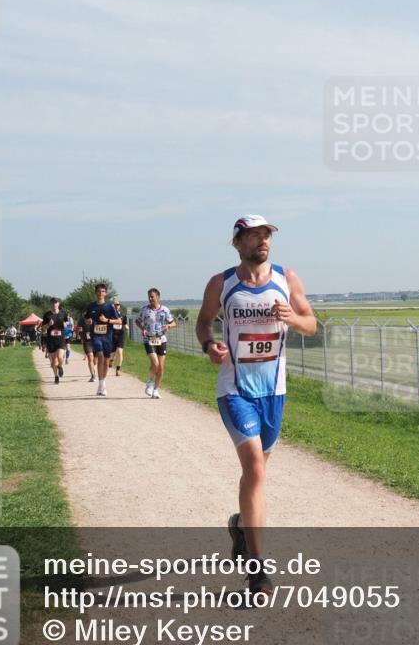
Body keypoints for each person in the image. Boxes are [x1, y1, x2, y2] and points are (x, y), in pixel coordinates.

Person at [196, 215, 316, 595]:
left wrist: (293, 318)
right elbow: (203, 323)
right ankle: (257, 569)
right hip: (235, 389)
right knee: (255, 471)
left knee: (257, 473)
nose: (262, 241)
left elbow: (312, 324)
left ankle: (240, 527)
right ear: (237, 243)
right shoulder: (222, 283)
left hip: (274, 392)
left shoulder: (287, 277)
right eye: (253, 236)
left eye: (266, 235)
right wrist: (209, 346)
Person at [135, 288, 176, 398]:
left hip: (161, 339)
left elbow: (173, 323)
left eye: (152, 296)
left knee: (161, 367)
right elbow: (137, 321)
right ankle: (149, 382)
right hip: (149, 339)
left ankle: (156, 390)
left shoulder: (165, 310)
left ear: (158, 297)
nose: (150, 298)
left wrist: (168, 326)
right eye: (149, 296)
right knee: (155, 363)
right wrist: (142, 328)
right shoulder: (145, 310)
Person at [83, 283, 121, 397]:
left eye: (103, 291)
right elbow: (86, 319)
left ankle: (102, 383)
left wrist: (107, 320)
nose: (101, 293)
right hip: (96, 336)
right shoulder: (91, 306)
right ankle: (100, 383)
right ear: (96, 293)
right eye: (99, 291)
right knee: (100, 356)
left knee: (106, 360)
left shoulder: (110, 306)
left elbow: (118, 321)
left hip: (107, 336)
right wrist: (88, 321)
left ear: (105, 293)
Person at [40, 298, 68, 384]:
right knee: (53, 361)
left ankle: (60, 366)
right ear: (50, 304)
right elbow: (42, 328)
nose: (54, 305)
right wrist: (48, 324)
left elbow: (67, 324)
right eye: (52, 303)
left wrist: (65, 324)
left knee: (60, 357)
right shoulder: (47, 315)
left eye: (55, 303)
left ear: (58, 304)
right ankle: (56, 376)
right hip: (51, 340)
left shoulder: (63, 313)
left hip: (60, 340)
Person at [110, 299, 128, 376]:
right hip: (112, 336)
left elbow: (125, 325)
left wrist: (126, 327)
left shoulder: (123, 316)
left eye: (118, 305)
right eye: (115, 305)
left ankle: (118, 370)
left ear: (119, 306)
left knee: (120, 352)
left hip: (121, 335)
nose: (116, 306)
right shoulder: (110, 316)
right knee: (112, 353)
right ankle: (111, 360)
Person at [78, 313, 96, 383]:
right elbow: (79, 329)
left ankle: (93, 369)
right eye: (87, 319)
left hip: (96, 342)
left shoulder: (96, 321)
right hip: (87, 342)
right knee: (90, 357)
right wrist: (80, 336)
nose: (89, 320)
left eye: (90, 319)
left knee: (95, 361)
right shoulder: (82, 321)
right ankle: (93, 375)